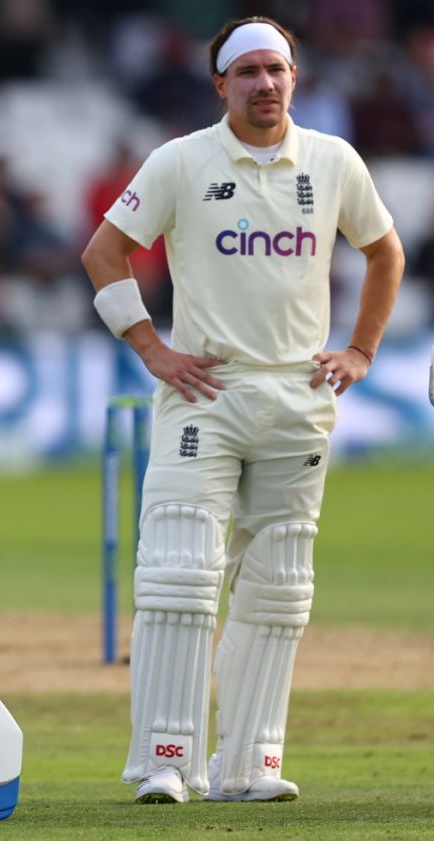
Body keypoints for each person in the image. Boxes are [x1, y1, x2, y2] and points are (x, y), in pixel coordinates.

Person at [81, 17, 404, 805]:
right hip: (208, 393)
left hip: (300, 396)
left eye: (278, 69)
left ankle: (250, 763)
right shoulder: (181, 160)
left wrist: (359, 349)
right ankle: (165, 757)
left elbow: (385, 251)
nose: (266, 83)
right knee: (179, 572)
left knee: (279, 582)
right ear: (220, 82)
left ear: (296, 76)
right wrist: (154, 351)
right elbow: (103, 252)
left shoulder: (332, 160)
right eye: (249, 71)